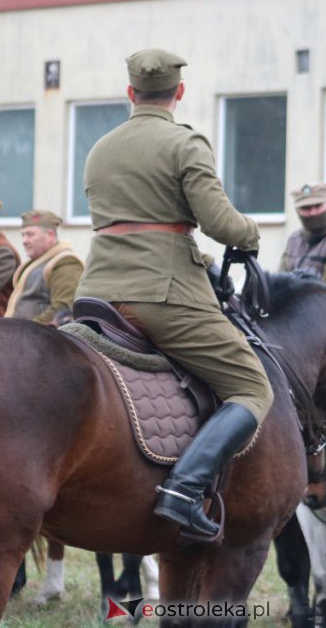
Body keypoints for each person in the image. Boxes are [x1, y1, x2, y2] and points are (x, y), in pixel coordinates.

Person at [76, 48, 270, 538]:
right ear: (179, 92)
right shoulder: (185, 143)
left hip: (96, 291)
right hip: (162, 295)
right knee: (252, 386)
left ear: (130, 93)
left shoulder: (101, 148)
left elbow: (130, 224)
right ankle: (183, 489)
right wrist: (250, 233)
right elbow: (220, 223)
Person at [4, 210, 84, 324]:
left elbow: (62, 308)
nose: (24, 241)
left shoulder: (66, 263)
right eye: (23, 235)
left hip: (37, 338)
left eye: (30, 234)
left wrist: (27, 330)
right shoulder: (34, 263)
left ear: (50, 235)